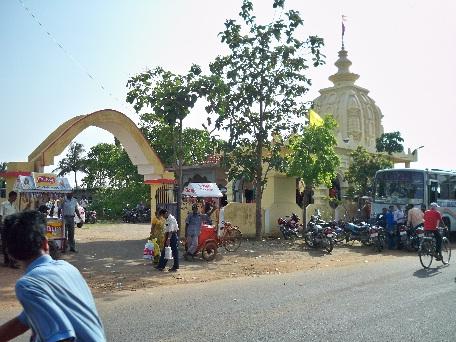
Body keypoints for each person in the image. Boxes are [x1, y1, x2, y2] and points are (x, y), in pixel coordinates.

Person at [0, 210, 106, 341]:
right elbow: (24, 321)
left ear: (9, 254)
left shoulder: (28, 284)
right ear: (45, 243)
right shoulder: (68, 268)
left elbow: (62, 338)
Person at [0, 191, 19, 268]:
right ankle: (6, 261)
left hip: (12, 227)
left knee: (12, 244)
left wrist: (27, 206)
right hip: (5, 226)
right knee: (5, 244)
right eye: (15, 196)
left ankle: (12, 262)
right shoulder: (3, 204)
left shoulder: (14, 205)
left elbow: (18, 214)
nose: (16, 198)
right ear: (11, 196)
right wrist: (1, 225)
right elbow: (0, 215)